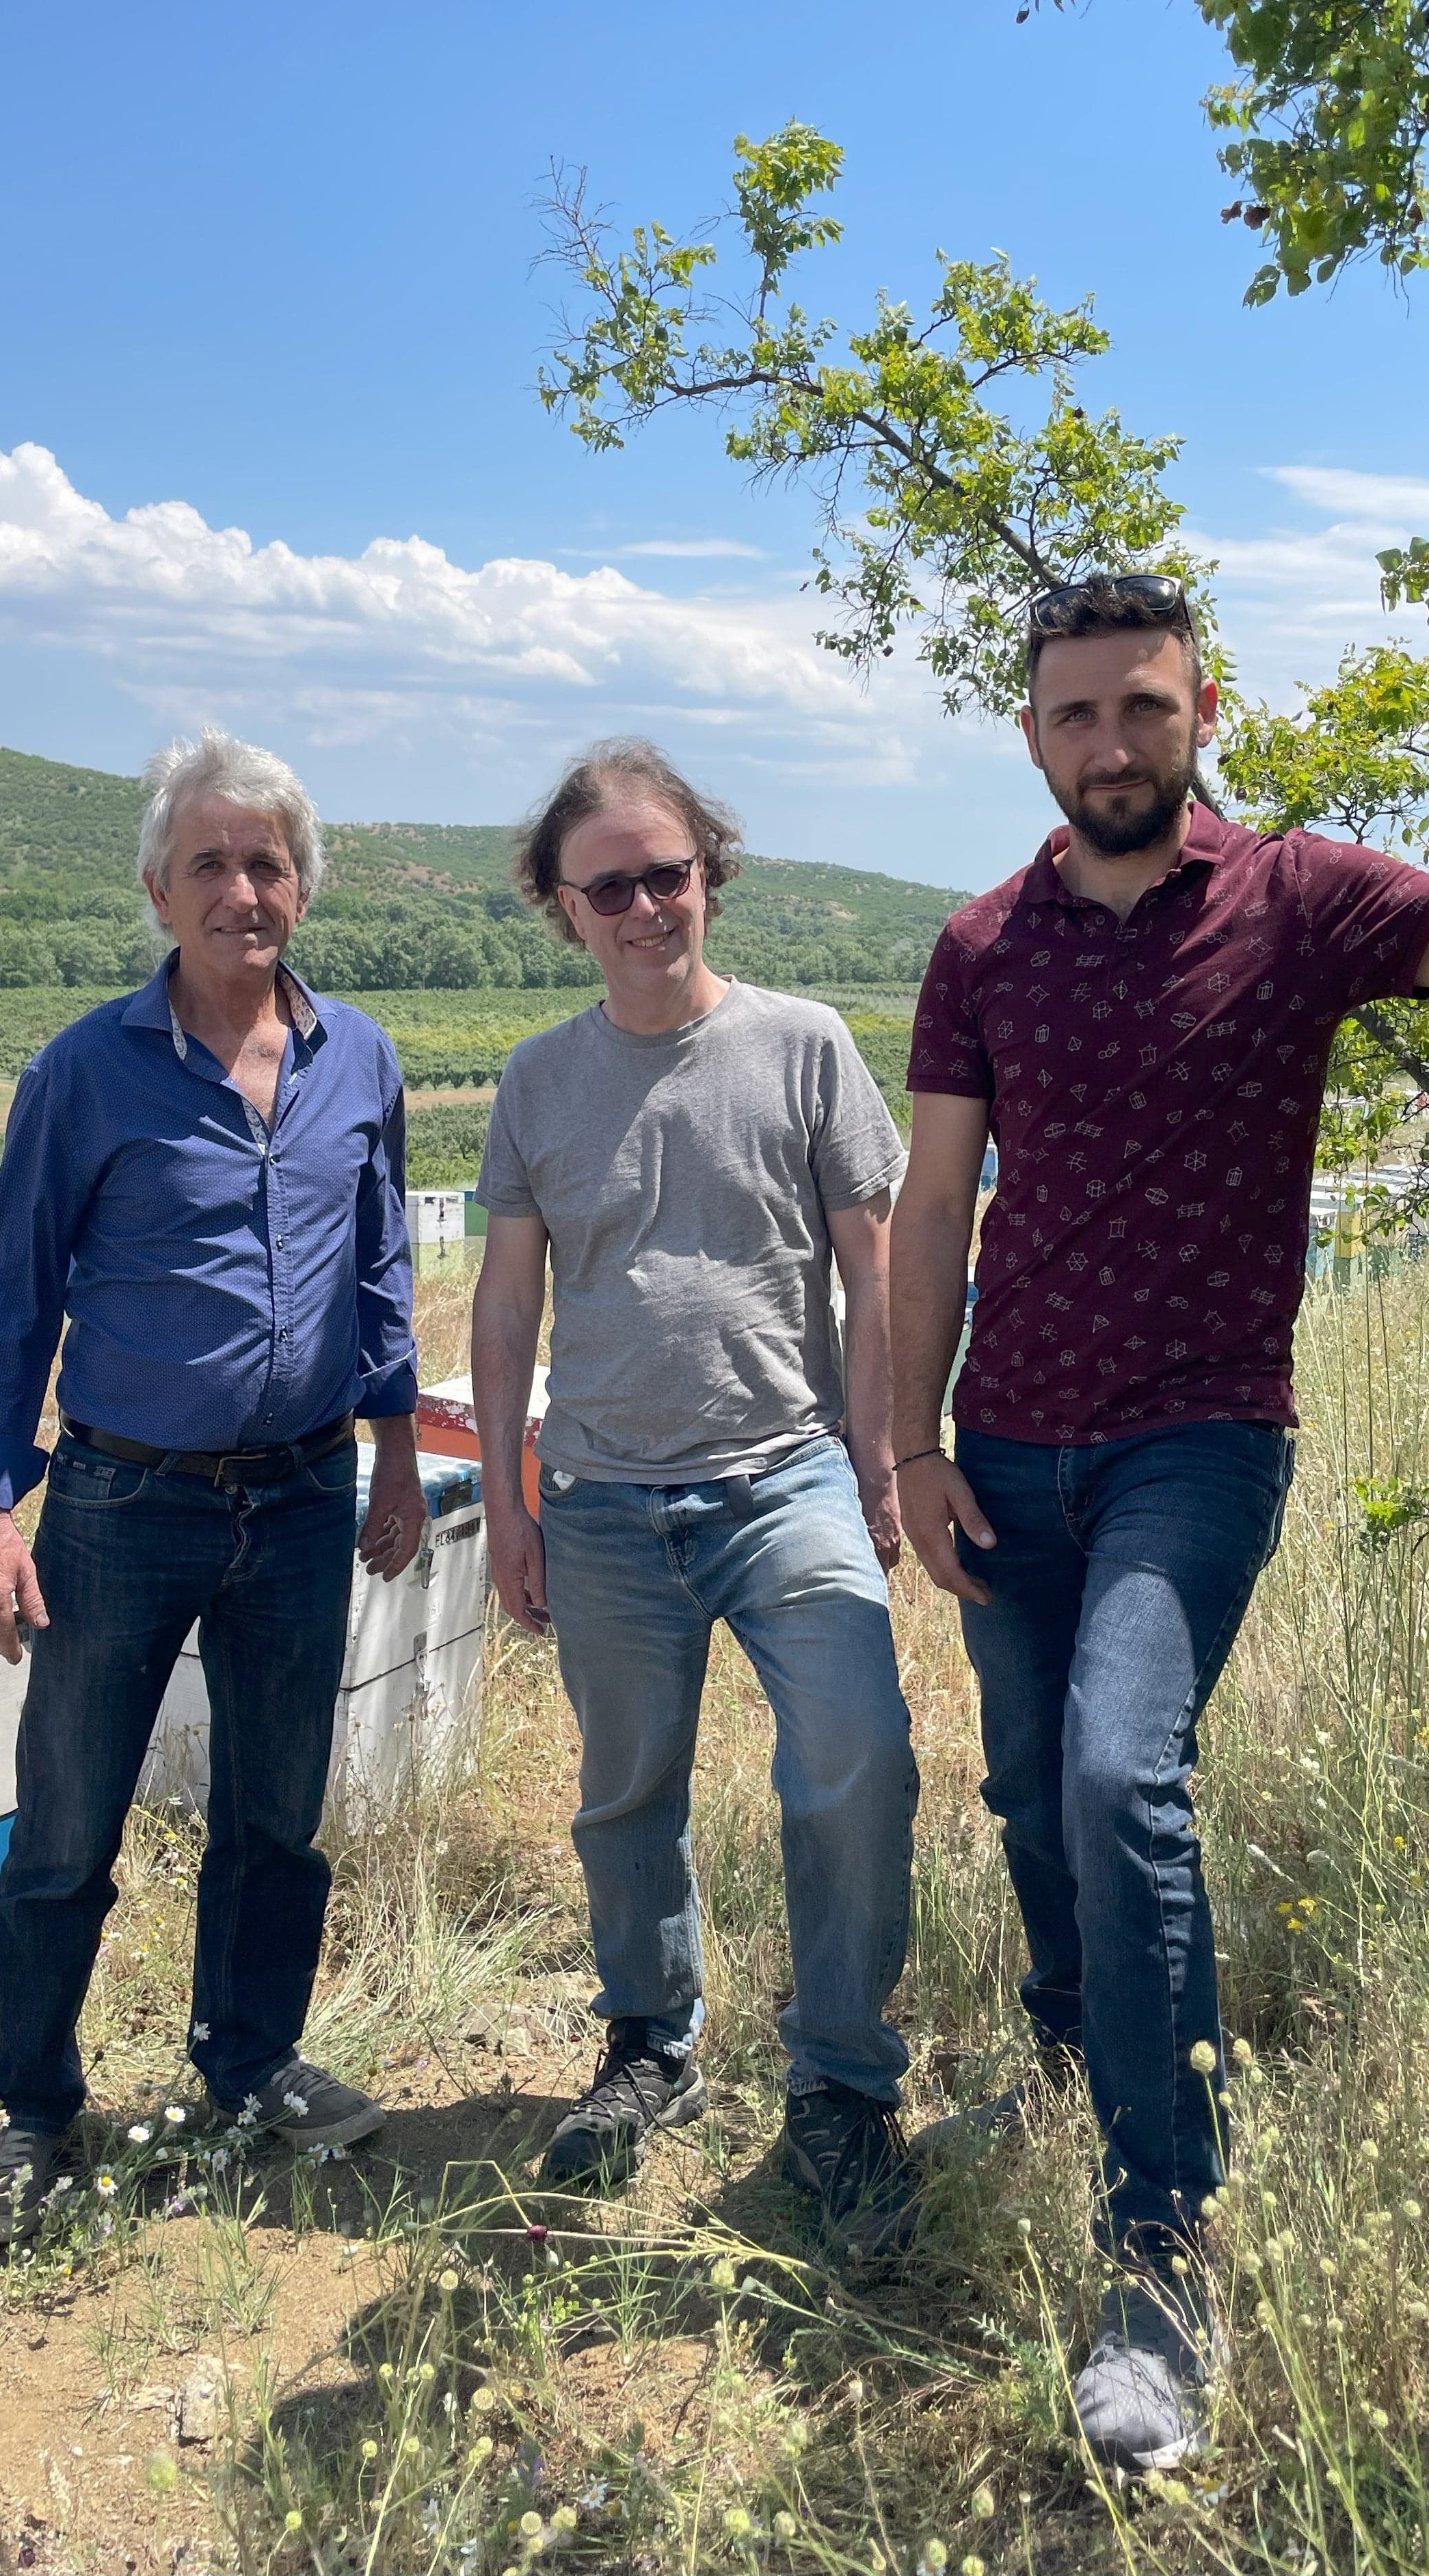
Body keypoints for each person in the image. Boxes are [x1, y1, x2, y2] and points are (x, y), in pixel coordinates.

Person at [889, 571, 1429, 2465]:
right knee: (1031, 1792)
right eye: (1076, 713)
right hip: (1005, 1444)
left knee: (1120, 1775)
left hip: (1199, 1436)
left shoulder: (1305, 901)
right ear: (1031, 735)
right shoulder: (980, 945)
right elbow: (934, 1213)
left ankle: (1165, 2247)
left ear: (1201, 713)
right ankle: (1075, 2058)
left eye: (1144, 706)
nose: (1112, 740)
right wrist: (909, 1447)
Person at [0, 727, 426, 2244]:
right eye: (208, 862)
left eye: (266, 861)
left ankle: (250, 2062)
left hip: (298, 1499)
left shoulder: (362, 1060)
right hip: (121, 1505)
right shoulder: (86, 1070)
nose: (239, 888)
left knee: (279, 1814)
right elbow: (9, 1296)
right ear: (159, 888)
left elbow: (384, 1267)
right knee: (69, 1821)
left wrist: (397, 1452)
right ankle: (26, 2104)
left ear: (302, 888)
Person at [470, 740, 922, 2260]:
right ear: (564, 906)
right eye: (613, 885)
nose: (650, 904)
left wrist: (884, 1462)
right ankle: (649, 2045)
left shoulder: (806, 1047)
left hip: (786, 1475)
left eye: (671, 873)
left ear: (709, 873)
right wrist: (511, 1499)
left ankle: (845, 2086)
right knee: (623, 1800)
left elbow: (877, 1276)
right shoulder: (537, 1077)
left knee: (856, 1757)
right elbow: (508, 1300)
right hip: (600, 1497)